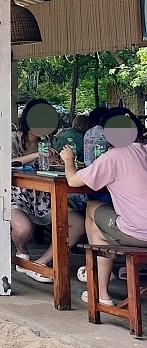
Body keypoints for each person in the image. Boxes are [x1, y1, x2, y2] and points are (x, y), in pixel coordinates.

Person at [58, 121, 147, 306]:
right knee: (98, 226)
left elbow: (73, 181)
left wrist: (68, 160)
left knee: (92, 209)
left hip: (139, 233)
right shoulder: (144, 150)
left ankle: (100, 291)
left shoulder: (114, 156)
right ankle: (98, 285)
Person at [10, 99, 87, 282]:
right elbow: (8, 164)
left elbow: (48, 166)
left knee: (79, 223)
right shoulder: (12, 138)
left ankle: (41, 264)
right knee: (23, 230)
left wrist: (54, 161)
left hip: (43, 197)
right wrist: (38, 154)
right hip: (14, 196)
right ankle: (22, 252)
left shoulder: (47, 141)